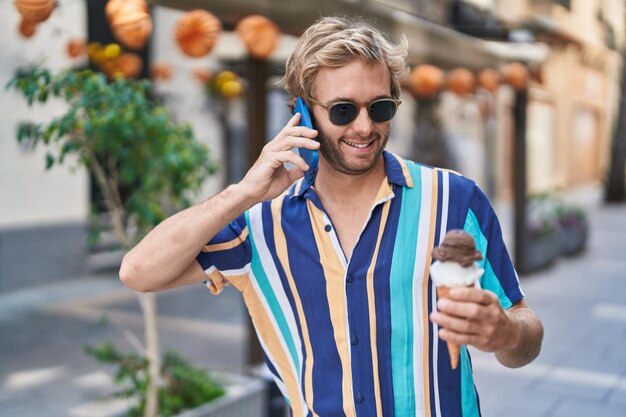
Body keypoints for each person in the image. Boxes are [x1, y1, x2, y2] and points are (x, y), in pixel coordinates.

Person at [120, 16, 544, 417]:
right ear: (302, 112)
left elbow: (526, 334)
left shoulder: (456, 199)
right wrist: (243, 193)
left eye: (380, 108)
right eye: (343, 110)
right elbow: (139, 272)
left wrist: (503, 333)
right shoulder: (257, 223)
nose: (364, 127)